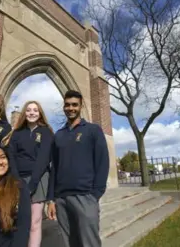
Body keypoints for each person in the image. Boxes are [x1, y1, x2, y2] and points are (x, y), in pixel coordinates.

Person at [47, 90, 110, 247]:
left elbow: (103, 162)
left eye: (74, 105)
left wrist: (95, 194)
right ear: (64, 107)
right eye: (67, 105)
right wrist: (52, 199)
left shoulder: (93, 130)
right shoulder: (58, 135)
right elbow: (54, 167)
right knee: (69, 243)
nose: (70, 108)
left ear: (81, 106)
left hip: (85, 196)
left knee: (89, 243)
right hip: (61, 199)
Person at [3, 101, 54, 247]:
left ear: (40, 113)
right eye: (29, 110)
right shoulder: (17, 133)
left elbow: (44, 158)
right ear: (24, 112)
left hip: (38, 180)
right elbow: (11, 156)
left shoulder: (46, 132)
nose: (32, 113)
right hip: (18, 179)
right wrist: (17, 179)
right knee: (18, 219)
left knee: (34, 221)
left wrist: (32, 183)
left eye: (35, 110)